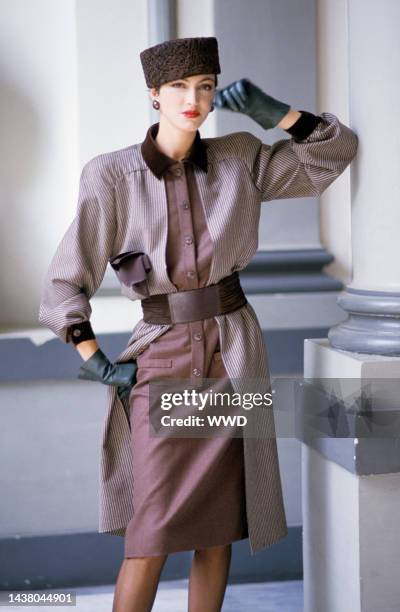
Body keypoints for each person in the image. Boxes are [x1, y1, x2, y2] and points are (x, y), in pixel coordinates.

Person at [38, 36, 358, 612]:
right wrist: (97, 360)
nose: (194, 99)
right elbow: (64, 281)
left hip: (234, 355)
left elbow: (333, 154)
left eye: (205, 87)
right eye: (180, 87)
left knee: (217, 533)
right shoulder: (111, 177)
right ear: (154, 95)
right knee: (149, 537)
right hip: (159, 362)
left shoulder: (239, 158)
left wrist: (277, 114)